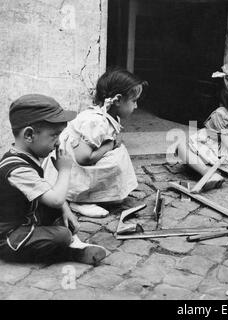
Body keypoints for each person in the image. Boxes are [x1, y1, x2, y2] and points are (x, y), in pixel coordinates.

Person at [0, 94, 106, 265]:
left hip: (27, 219)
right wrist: (64, 170)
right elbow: (56, 199)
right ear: (29, 135)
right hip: (9, 237)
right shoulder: (17, 169)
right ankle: (70, 252)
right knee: (61, 235)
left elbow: (47, 192)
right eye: (54, 135)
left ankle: (73, 243)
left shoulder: (28, 157)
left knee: (59, 211)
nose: (58, 143)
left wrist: (65, 209)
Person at [44, 68, 148, 217]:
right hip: (69, 168)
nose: (136, 106)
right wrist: (109, 146)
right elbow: (83, 158)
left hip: (75, 166)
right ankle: (78, 199)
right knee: (116, 157)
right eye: (134, 101)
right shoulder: (96, 121)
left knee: (118, 153)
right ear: (117, 100)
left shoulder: (107, 116)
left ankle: (98, 194)